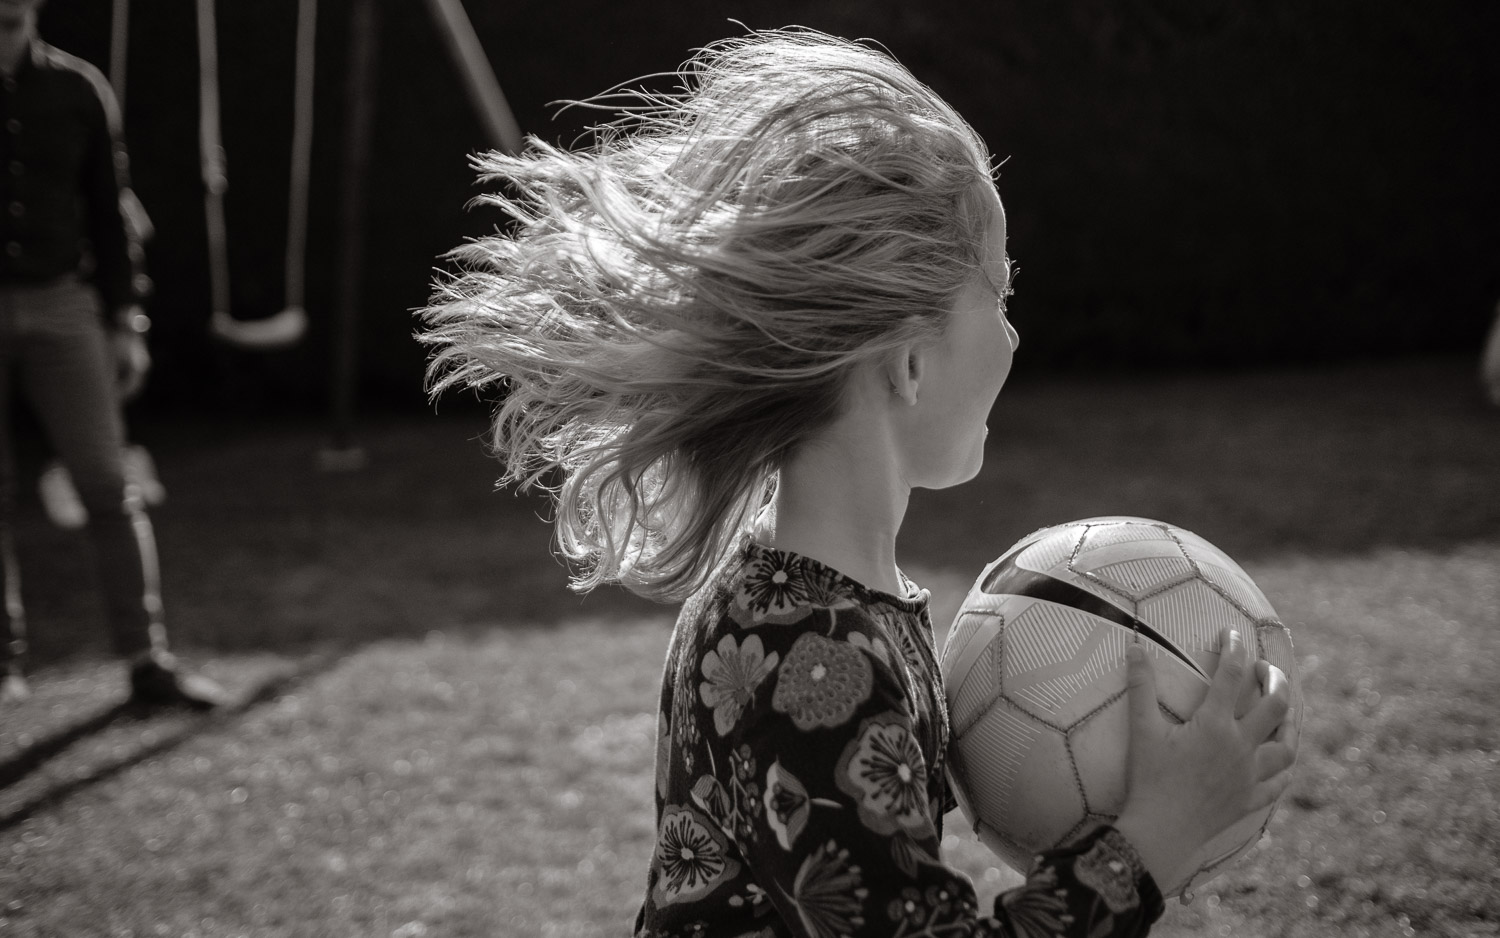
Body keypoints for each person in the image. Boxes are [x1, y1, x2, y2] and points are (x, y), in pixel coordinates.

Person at [420, 30, 1297, 937]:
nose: (1014, 337)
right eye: (998, 296)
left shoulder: (820, 609)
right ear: (910, 363)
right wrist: (1152, 837)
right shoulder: (811, 660)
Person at [0, 0, 225, 708]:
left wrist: (127, 320)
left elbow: (110, 207)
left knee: (107, 481)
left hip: (65, 301)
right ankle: (5, 665)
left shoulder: (78, 89)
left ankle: (146, 663)